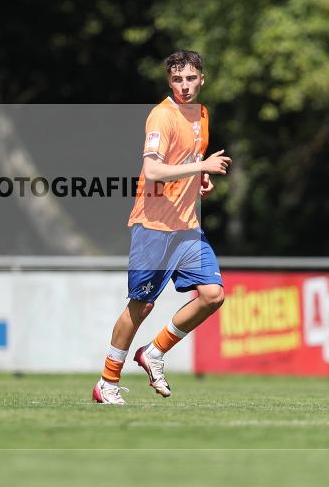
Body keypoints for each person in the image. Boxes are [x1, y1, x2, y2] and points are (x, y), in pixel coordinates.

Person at [92, 50, 232, 404]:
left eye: (190, 78)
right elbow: (153, 171)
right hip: (153, 225)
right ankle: (107, 381)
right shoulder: (161, 116)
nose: (184, 86)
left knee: (213, 295)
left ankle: (154, 352)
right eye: (177, 80)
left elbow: (187, 160)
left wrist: (199, 176)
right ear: (169, 82)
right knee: (141, 307)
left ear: (202, 78)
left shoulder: (201, 113)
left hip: (186, 227)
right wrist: (200, 169)